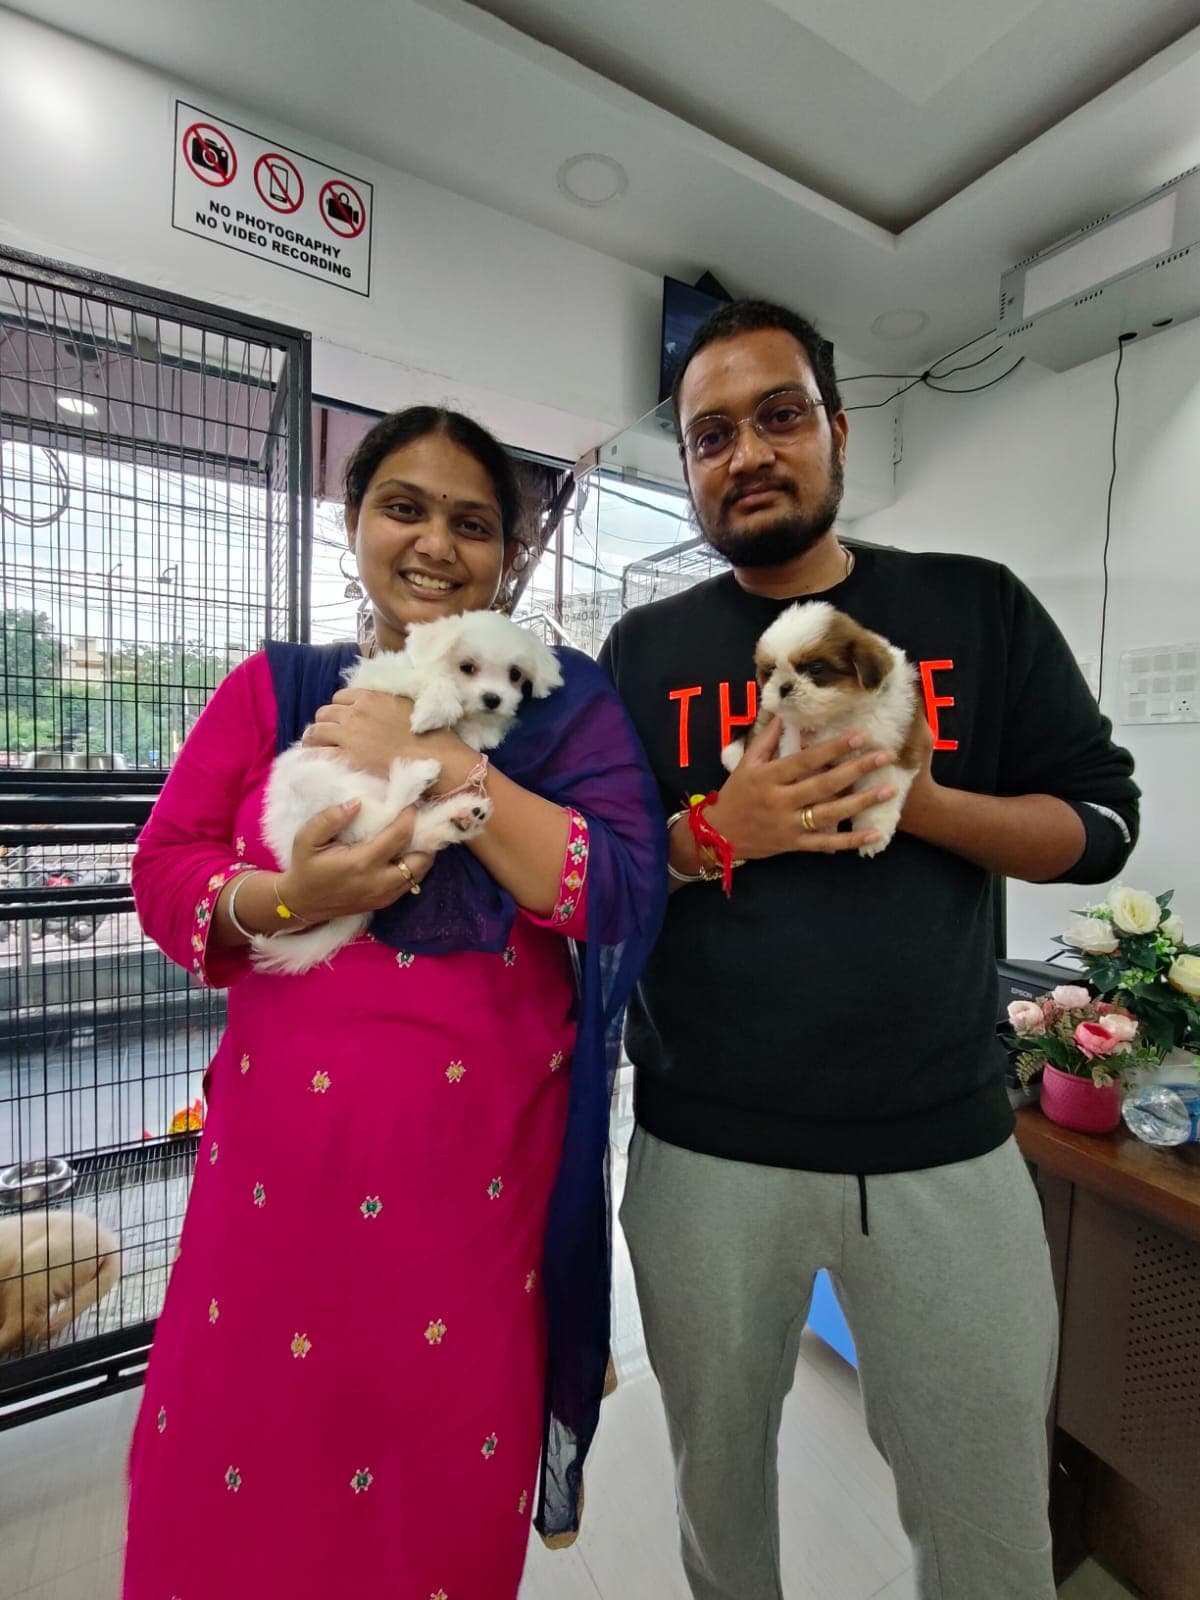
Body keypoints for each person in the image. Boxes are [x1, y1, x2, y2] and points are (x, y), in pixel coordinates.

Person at [599, 300, 1140, 1600]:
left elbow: (1105, 821)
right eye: (710, 433)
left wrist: (921, 800)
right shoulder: (647, 649)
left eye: (779, 415)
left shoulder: (975, 608)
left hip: (946, 1151)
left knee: (987, 1512)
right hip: (705, 1155)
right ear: (688, 468)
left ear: (839, 432)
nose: (747, 453)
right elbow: (592, 874)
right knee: (719, 1495)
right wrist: (705, 835)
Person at [123, 406, 665, 1600]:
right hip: (276, 1181)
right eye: (402, 507)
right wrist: (285, 894)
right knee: (237, 1473)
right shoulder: (279, 686)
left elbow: (623, 881)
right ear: (354, 523)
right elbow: (165, 868)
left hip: (473, 1193)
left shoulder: (560, 704)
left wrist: (465, 771)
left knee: (433, 1492)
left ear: (508, 557)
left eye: (473, 523)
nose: (435, 542)